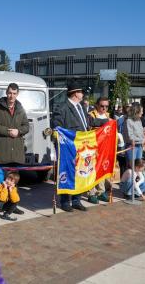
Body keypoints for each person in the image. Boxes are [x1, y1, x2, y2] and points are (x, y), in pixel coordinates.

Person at [0, 83, 29, 215]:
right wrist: (7, 131)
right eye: (10, 93)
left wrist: (19, 131)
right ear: (6, 93)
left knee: (13, 182)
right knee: (1, 183)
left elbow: (26, 126)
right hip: (3, 151)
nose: (12, 96)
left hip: (16, 152)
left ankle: (12, 205)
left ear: (17, 94)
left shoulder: (20, 108)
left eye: (14, 93)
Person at [51, 80, 88, 212]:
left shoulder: (81, 107)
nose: (83, 94)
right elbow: (57, 126)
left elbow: (87, 123)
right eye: (81, 91)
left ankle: (77, 200)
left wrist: (107, 122)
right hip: (68, 147)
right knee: (67, 172)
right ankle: (65, 201)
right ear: (75, 94)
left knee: (79, 173)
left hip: (82, 146)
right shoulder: (62, 108)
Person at [87, 97, 111, 204]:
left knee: (101, 169)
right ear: (97, 105)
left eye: (106, 106)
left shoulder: (108, 115)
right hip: (92, 147)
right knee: (91, 170)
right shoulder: (91, 115)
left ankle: (101, 192)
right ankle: (91, 193)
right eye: (102, 106)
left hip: (104, 147)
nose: (104, 108)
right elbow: (90, 125)